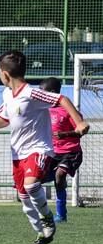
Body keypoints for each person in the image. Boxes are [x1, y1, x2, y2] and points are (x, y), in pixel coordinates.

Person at [0, 50, 89, 244]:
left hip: (39, 149)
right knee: (25, 199)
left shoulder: (31, 93)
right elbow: (5, 119)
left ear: (5, 74)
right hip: (17, 153)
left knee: (31, 185)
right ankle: (41, 233)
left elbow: (62, 99)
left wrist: (79, 122)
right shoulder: (7, 94)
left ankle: (48, 218)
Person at [40, 77, 83, 223]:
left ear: (52, 93)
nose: (41, 95)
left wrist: (65, 134)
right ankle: (42, 212)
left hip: (71, 152)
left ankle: (61, 215)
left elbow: (81, 130)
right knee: (36, 178)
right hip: (53, 153)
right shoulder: (43, 111)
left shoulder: (67, 110)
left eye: (43, 92)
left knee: (59, 175)